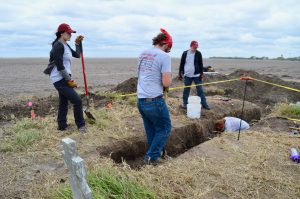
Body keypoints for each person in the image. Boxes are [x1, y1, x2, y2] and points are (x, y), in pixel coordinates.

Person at [137, 28, 172, 165]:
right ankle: (150, 159)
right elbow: (166, 82)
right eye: (168, 48)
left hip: (141, 100)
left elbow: (141, 75)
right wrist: (169, 80)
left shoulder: (142, 53)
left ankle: (155, 153)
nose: (168, 51)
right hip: (155, 101)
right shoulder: (164, 57)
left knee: (152, 129)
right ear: (166, 44)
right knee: (164, 128)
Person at [49, 23, 86, 133]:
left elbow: (77, 55)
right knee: (77, 101)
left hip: (64, 77)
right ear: (62, 33)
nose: (70, 34)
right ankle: (81, 126)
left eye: (71, 33)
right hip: (60, 78)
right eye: (68, 33)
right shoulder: (58, 46)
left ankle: (62, 126)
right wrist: (69, 80)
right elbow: (60, 67)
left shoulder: (65, 45)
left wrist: (78, 44)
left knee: (63, 103)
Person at [178, 40, 210, 110]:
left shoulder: (198, 53)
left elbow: (201, 64)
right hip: (187, 75)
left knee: (200, 90)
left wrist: (202, 74)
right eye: (194, 47)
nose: (195, 48)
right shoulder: (185, 53)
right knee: (186, 89)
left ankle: (204, 104)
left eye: (196, 47)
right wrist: (180, 73)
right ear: (191, 46)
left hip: (197, 75)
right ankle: (185, 104)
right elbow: (182, 64)